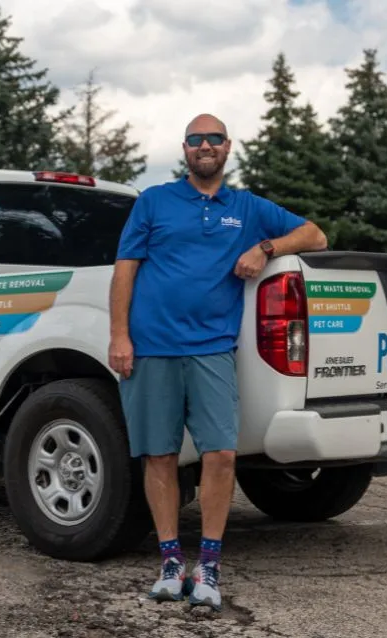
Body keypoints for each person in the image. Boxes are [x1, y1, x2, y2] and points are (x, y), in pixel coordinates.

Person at [108, 113, 327, 612]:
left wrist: (265, 247)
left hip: (211, 348)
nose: (203, 146)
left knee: (221, 455)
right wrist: (119, 335)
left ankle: (208, 565)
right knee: (159, 454)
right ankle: (169, 562)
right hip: (152, 346)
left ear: (227, 147)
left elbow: (315, 236)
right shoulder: (154, 201)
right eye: (194, 139)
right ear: (184, 149)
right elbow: (125, 270)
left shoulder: (248, 207)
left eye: (213, 139)